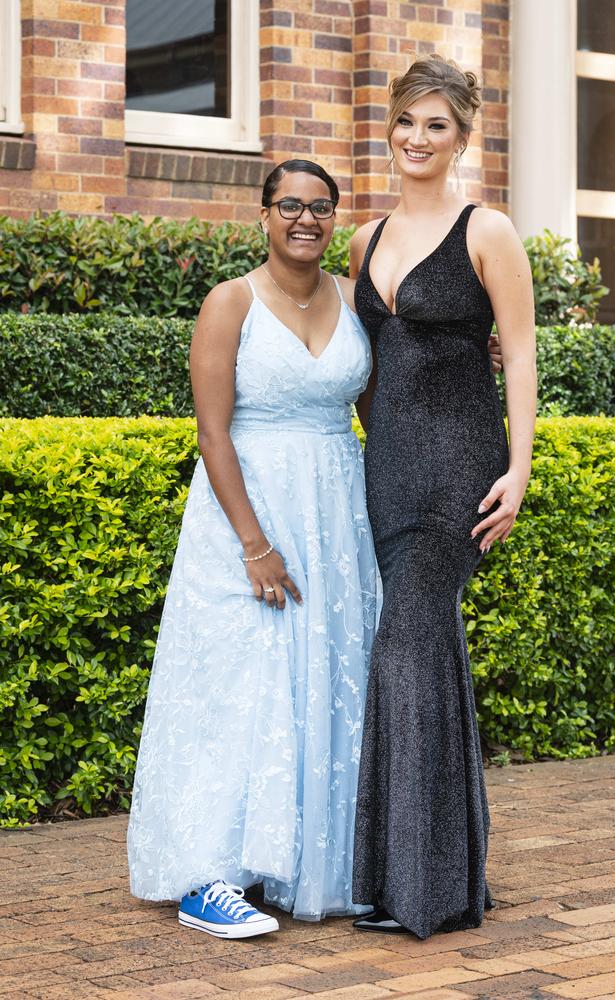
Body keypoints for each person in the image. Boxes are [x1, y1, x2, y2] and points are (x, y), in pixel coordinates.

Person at [127, 159, 379, 938]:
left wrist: (479, 363)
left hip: (337, 511)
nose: (307, 219)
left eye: (321, 208)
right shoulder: (228, 303)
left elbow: (386, 401)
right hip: (248, 515)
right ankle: (211, 876)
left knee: (326, 679)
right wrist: (254, 544)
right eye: (291, 206)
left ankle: (313, 863)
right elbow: (212, 432)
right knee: (243, 683)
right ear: (263, 215)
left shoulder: (354, 300)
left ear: (334, 219)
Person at [350, 54, 537, 939]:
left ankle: (417, 890)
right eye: (406, 121)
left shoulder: (487, 229)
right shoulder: (363, 240)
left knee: (402, 648)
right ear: (388, 128)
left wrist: (520, 466)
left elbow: (523, 351)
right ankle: (450, 878)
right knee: (429, 654)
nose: (417, 138)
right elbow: (360, 364)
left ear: (463, 138)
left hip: (460, 464)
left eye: (437, 125)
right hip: (384, 470)